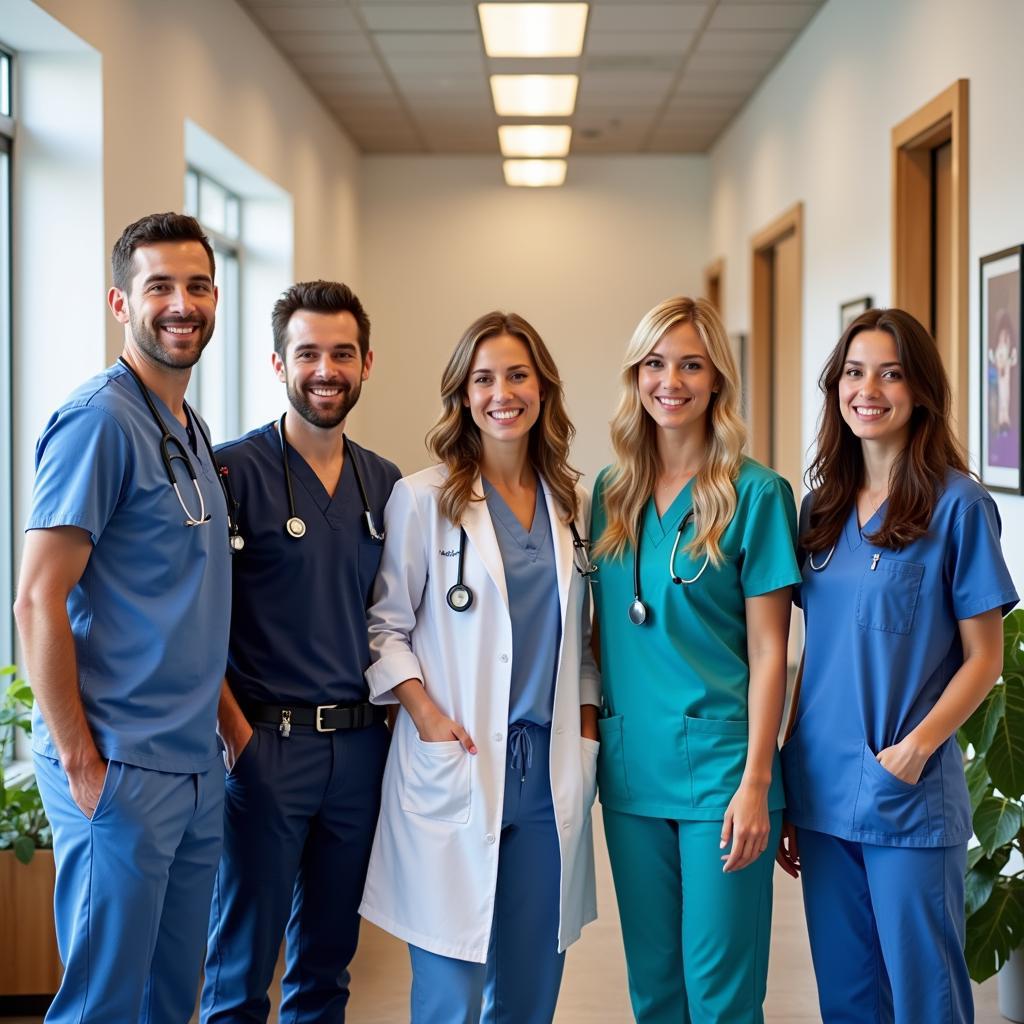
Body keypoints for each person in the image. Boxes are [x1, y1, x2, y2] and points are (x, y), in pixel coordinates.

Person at [13, 212, 231, 1023]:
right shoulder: (99, 421)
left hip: (190, 765)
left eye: (198, 285)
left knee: (171, 999)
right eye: (160, 287)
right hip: (119, 764)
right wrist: (80, 761)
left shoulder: (184, 424)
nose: (182, 304)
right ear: (120, 301)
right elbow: (36, 597)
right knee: (104, 1003)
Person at [777, 307, 1018, 1024]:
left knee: (926, 997)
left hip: (905, 795)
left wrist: (912, 752)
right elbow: (809, 654)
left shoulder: (959, 506)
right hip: (819, 788)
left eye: (890, 373)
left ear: (920, 391)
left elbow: (985, 658)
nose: (868, 388)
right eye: (854, 372)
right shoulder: (820, 508)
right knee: (848, 997)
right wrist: (790, 773)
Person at [359, 311, 600, 1023]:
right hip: (457, 759)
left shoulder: (574, 504)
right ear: (463, 395)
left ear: (543, 388)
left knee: (529, 990)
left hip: (547, 764)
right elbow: (385, 628)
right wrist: (427, 717)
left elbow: (584, 643)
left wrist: (584, 725)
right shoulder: (424, 498)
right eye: (484, 378)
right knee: (450, 993)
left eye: (517, 375)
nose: (503, 393)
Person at [589, 296, 800, 1024]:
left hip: (722, 774)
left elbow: (773, 649)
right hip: (631, 772)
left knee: (721, 995)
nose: (669, 380)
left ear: (717, 380)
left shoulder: (757, 494)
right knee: (654, 989)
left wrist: (758, 781)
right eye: (654, 363)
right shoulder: (609, 496)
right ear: (636, 375)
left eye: (690, 364)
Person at [200, 281, 400, 1022]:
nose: (326, 369)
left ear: (367, 363)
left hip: (357, 753)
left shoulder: (386, 484)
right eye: (308, 353)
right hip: (265, 746)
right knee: (240, 967)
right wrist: (239, 739)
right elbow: (199, 624)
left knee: (326, 964)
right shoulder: (227, 474)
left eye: (341, 353)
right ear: (277, 363)